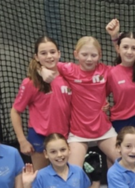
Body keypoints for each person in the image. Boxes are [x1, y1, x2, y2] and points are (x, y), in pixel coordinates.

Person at [41, 36, 118, 167]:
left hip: (104, 129)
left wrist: (115, 37)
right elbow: (45, 62)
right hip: (78, 132)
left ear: (100, 55)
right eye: (84, 54)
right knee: (73, 171)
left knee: (124, 162)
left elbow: (126, 64)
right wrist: (41, 69)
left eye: (93, 55)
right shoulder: (69, 69)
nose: (89, 59)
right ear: (76, 54)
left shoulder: (106, 70)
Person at [11, 36, 72, 171]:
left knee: (66, 176)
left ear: (59, 54)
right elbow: (15, 111)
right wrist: (22, 141)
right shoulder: (30, 82)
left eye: (52, 52)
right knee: (40, 177)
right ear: (36, 57)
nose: (49, 56)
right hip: (40, 137)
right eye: (43, 53)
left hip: (65, 136)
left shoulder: (68, 77)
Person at [105, 31, 135, 153]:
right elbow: (100, 95)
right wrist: (103, 105)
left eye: (134, 48)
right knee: (120, 157)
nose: (129, 51)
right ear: (118, 48)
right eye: (125, 47)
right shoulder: (111, 73)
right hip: (120, 122)